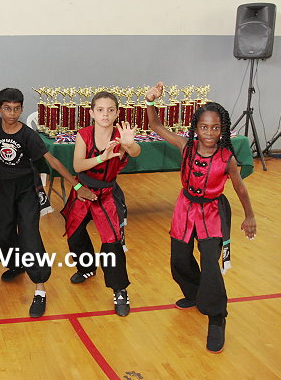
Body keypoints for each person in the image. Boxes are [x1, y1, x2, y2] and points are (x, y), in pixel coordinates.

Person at [145, 82, 256, 353]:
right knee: (179, 258)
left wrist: (249, 216)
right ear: (196, 128)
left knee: (210, 264)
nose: (209, 132)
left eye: (215, 128)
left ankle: (217, 317)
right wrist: (150, 101)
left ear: (222, 130)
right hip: (185, 209)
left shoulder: (227, 158)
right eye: (204, 127)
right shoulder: (186, 146)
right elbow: (156, 126)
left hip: (212, 213)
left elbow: (240, 188)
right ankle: (194, 293)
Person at [0, 88, 97, 317]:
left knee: (29, 236)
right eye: (7, 108)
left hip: (26, 190)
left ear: (22, 109)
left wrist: (77, 186)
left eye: (16, 109)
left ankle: (40, 287)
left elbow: (53, 162)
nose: (12, 113)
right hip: (3, 188)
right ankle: (17, 264)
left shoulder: (28, 135)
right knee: (3, 233)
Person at [60, 91, 140, 317]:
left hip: (107, 195)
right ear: (92, 113)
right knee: (75, 234)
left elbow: (135, 152)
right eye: (100, 110)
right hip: (83, 191)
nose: (105, 114)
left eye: (110, 110)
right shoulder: (84, 134)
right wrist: (101, 158)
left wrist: (130, 144)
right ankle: (86, 268)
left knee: (111, 243)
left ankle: (120, 290)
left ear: (117, 113)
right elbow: (77, 166)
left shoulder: (121, 136)